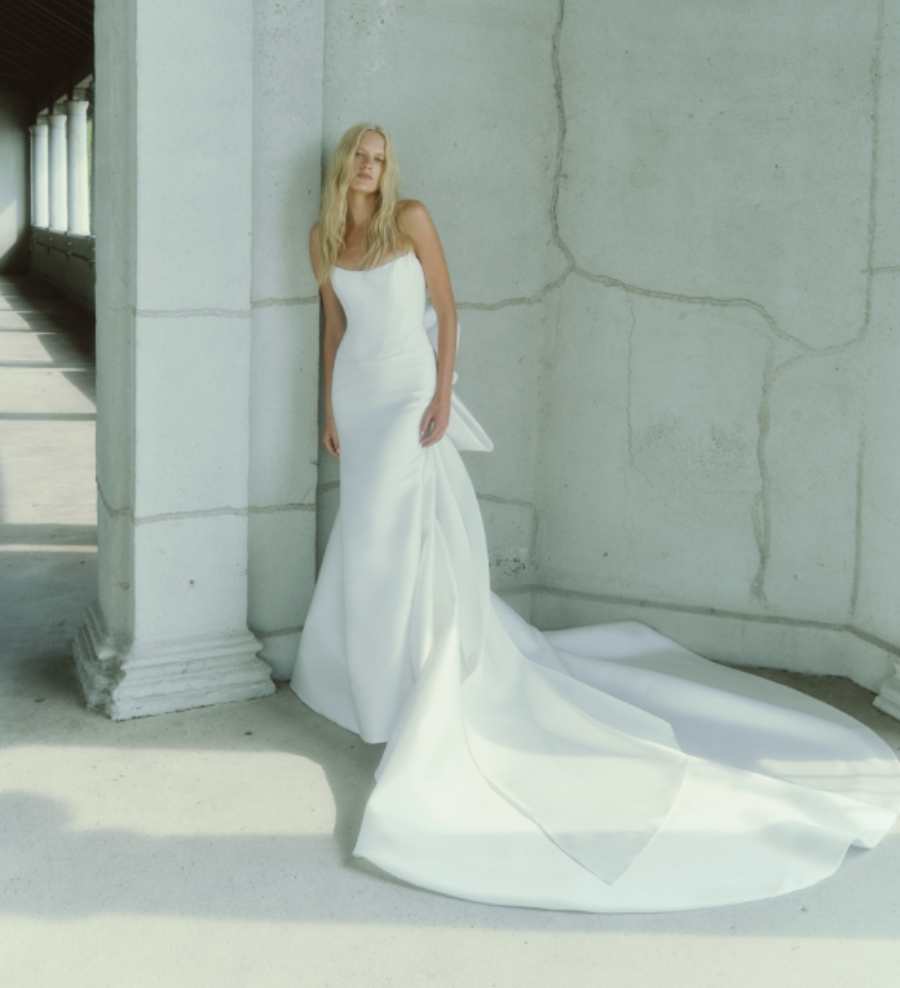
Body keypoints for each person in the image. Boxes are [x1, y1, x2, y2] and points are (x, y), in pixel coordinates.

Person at [291, 122, 900, 912]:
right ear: (345, 165)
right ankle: (365, 674)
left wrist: (443, 393)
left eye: (380, 154)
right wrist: (326, 411)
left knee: (405, 534)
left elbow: (446, 305)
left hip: (408, 392)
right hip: (359, 398)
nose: (371, 164)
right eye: (360, 155)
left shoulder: (412, 218)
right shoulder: (324, 236)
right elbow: (334, 329)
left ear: (388, 164)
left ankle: (421, 674)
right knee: (368, 539)